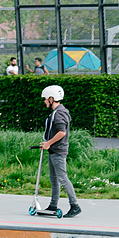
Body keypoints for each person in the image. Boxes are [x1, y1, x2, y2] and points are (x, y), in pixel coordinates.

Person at [39, 85, 81, 218]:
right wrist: (47, 143)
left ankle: (75, 206)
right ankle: (53, 205)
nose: (44, 101)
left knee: (62, 178)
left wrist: (49, 143)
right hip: (53, 150)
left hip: (58, 151)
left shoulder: (59, 114)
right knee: (54, 179)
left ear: (51, 99)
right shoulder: (57, 112)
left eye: (45, 99)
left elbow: (62, 132)